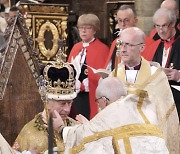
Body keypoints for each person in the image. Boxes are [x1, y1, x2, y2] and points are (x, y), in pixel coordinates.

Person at [52, 75, 174, 154]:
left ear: (104, 101)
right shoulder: (142, 109)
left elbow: (84, 138)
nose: (99, 107)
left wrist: (61, 129)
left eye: (98, 102)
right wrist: (89, 126)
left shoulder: (112, 111)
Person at [12, 58, 78, 154]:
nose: (67, 110)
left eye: (70, 103)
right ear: (47, 102)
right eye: (62, 104)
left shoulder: (76, 128)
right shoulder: (29, 133)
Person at [67, 13, 109, 119]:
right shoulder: (76, 47)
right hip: (75, 95)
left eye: (88, 28)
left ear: (94, 30)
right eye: (81, 28)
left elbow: (104, 75)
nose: (83, 31)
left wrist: (89, 82)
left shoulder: (102, 49)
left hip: (91, 96)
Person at [142, 8, 180, 121]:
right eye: (157, 26)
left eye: (164, 26)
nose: (160, 31)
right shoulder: (157, 44)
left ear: (173, 23)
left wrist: (178, 76)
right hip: (160, 101)